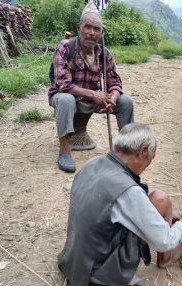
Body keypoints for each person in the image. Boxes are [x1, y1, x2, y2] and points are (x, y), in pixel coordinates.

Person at [58, 123, 182, 286]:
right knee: (161, 199)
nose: (147, 166)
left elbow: (111, 207)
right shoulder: (128, 191)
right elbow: (164, 241)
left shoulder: (94, 163)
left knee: (157, 203)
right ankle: (166, 257)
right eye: (150, 159)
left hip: (74, 260)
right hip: (99, 271)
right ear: (142, 152)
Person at [48, 6, 134, 172]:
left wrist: (112, 99)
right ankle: (64, 151)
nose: (92, 32)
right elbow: (62, 84)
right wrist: (94, 94)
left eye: (97, 29)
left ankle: (126, 152)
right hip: (68, 97)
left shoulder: (104, 54)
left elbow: (115, 83)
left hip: (93, 100)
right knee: (65, 99)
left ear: (101, 33)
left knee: (125, 102)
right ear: (78, 28)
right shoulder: (65, 47)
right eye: (87, 27)